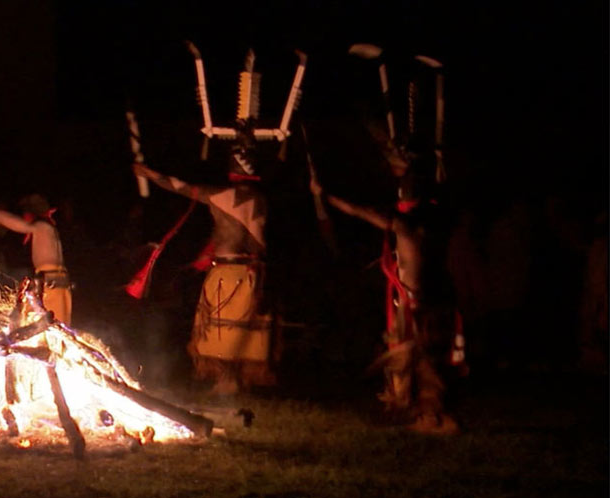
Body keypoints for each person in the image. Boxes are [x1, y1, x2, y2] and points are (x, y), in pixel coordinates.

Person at [310, 155, 461, 434]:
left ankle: (420, 414)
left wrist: (326, 196)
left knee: (411, 359)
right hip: (431, 301)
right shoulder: (434, 223)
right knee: (423, 359)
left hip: (413, 305)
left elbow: (360, 211)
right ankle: (419, 411)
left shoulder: (404, 225)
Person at [133, 120, 275, 395]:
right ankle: (234, 380)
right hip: (253, 272)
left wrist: (147, 173)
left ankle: (227, 382)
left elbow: (179, 186)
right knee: (240, 327)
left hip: (228, 272)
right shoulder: (260, 199)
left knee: (222, 329)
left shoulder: (220, 195)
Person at [0, 190, 72, 325]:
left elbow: (16, 223)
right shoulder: (47, 226)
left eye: (38, 202)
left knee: (48, 328)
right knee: (53, 327)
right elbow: (5, 224)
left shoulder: (42, 226)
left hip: (51, 284)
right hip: (56, 283)